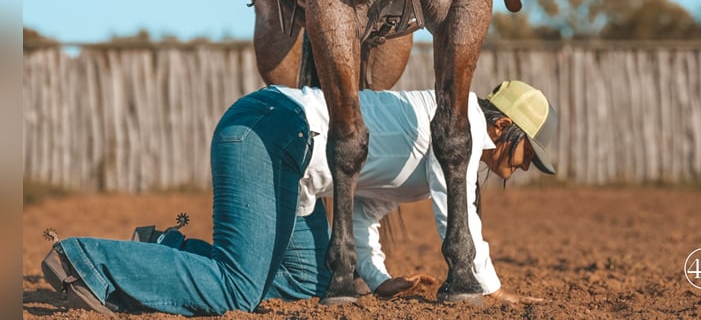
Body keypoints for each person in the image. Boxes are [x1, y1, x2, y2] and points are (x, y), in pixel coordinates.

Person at [41, 80, 558, 316]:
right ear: (504, 126)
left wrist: (375, 281)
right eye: (525, 157)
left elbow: (363, 207)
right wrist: (488, 289)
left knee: (307, 281)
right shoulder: (460, 123)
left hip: (286, 150)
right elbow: (458, 213)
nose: (518, 170)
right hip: (274, 131)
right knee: (237, 291)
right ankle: (84, 258)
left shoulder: (445, 137)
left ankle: (165, 251)